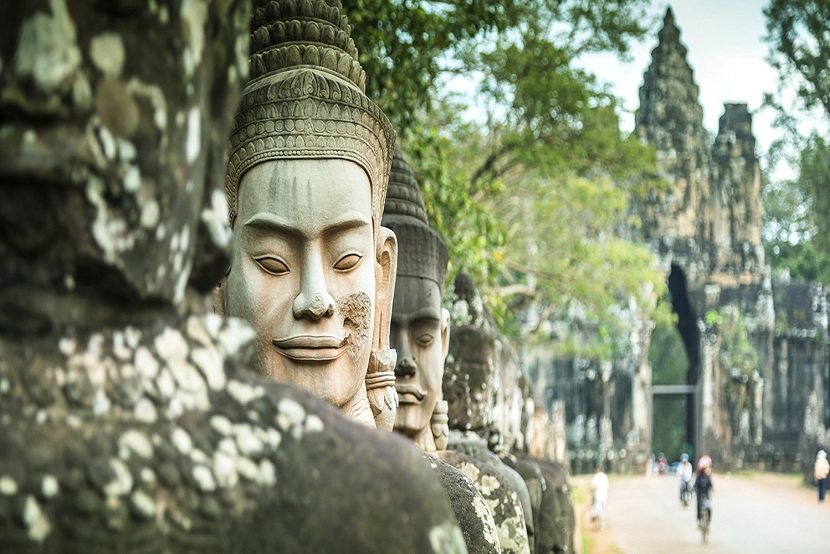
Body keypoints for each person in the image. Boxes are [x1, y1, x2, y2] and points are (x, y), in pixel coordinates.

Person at [694, 455, 714, 527]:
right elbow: (696, 485)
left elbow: (711, 485)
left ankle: (708, 522)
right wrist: (696, 490)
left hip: (706, 495)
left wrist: (712, 490)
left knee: (709, 508)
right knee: (699, 506)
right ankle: (699, 519)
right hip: (700, 495)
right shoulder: (699, 476)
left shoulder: (708, 477)